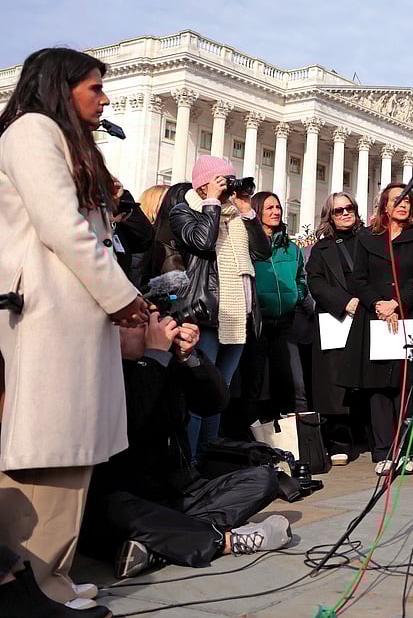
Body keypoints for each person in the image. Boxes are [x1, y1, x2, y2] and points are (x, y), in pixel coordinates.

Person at [0, 47, 150, 612]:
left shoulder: (60, 139)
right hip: (46, 311)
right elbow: (62, 227)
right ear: (62, 88)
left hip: (73, 311)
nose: (105, 98)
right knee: (45, 451)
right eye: (94, 88)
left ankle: (53, 576)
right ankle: (33, 583)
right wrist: (121, 297)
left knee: (73, 451)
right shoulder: (32, 130)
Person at [82, 313, 289, 580]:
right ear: (116, 334)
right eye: (140, 325)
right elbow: (133, 419)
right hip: (128, 496)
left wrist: (189, 358)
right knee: (112, 509)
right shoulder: (101, 372)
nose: (151, 331)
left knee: (264, 479)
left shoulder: (164, 365)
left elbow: (215, 402)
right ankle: (225, 541)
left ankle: (157, 542)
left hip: (179, 493)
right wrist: (154, 355)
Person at [169, 155, 271, 458]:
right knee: (201, 394)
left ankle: (210, 456)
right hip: (206, 314)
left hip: (239, 314)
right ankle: (191, 462)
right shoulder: (184, 211)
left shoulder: (236, 215)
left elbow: (262, 252)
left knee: (220, 392)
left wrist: (248, 212)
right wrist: (212, 203)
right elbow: (202, 242)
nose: (228, 188)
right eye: (221, 182)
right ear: (203, 185)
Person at [340, 184, 413, 476]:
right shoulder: (367, 238)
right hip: (375, 318)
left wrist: (397, 303)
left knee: (406, 387)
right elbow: (358, 279)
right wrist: (379, 305)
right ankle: (383, 451)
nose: (404, 205)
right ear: (385, 206)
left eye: (408, 200)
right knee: (378, 389)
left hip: (409, 316)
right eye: (397, 200)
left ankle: (409, 450)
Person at [306, 192, 363, 465]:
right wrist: (344, 302)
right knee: (335, 385)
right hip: (336, 319)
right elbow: (315, 283)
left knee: (367, 380)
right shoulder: (321, 249)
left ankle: (368, 438)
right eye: (338, 211)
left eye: (348, 208)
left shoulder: (369, 241)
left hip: (367, 316)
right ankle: (339, 441)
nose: (344, 214)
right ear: (329, 216)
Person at [241, 191, 309, 420]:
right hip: (257, 325)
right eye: (269, 207)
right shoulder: (248, 245)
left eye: (278, 207)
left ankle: (302, 441)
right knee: (255, 384)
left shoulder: (292, 248)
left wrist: (296, 296)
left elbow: (301, 278)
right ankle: (254, 438)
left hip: (285, 324)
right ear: (257, 211)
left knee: (296, 384)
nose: (276, 211)